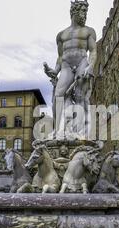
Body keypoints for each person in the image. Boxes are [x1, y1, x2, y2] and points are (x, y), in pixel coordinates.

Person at [44, 0, 97, 139]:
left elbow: (93, 51)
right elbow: (60, 56)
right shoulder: (61, 35)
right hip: (66, 65)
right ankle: (58, 130)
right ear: (74, 11)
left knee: (80, 96)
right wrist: (55, 71)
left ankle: (80, 132)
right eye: (82, 11)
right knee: (59, 95)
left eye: (86, 12)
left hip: (82, 62)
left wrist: (90, 66)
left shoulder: (89, 31)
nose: (85, 15)